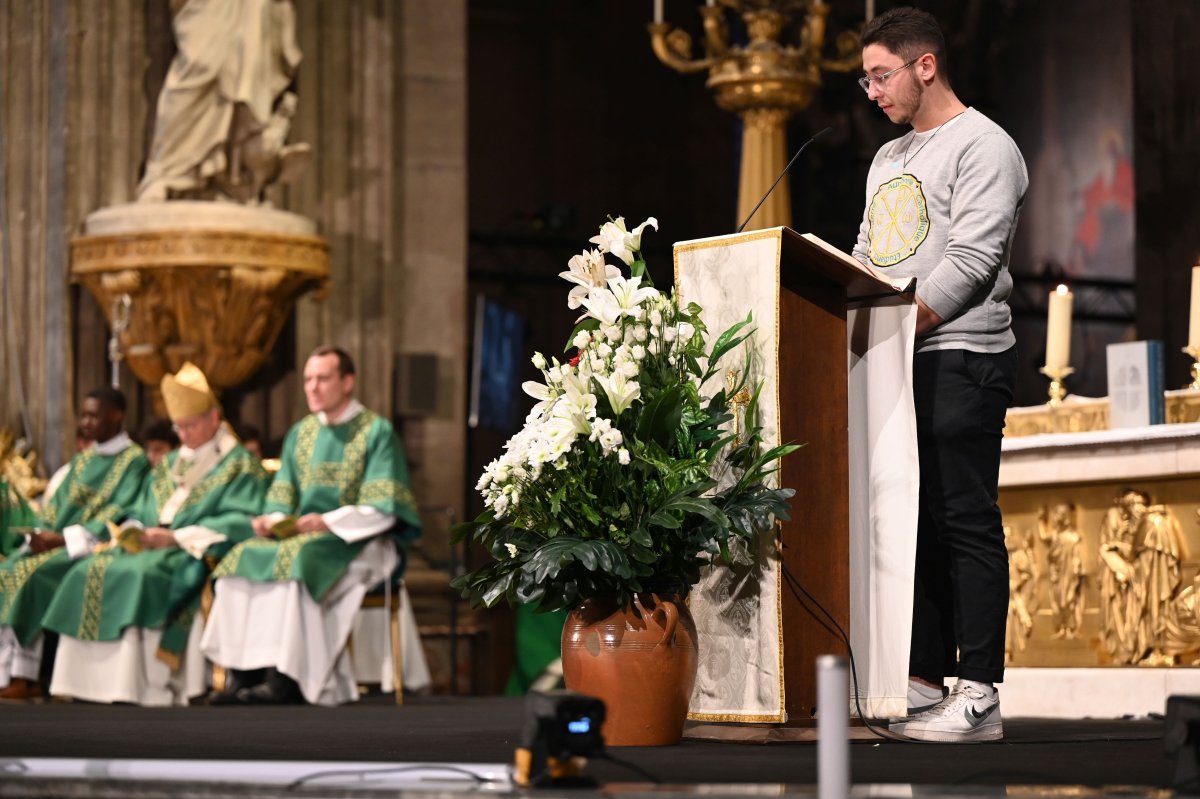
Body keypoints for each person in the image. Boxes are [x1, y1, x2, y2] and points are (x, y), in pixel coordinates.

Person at [851, 7, 1027, 742]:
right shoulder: (886, 159)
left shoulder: (986, 146)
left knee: (965, 517)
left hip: (964, 355)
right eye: (865, 79)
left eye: (881, 74)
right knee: (908, 519)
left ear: (926, 65)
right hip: (894, 358)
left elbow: (973, 260)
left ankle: (980, 689)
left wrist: (903, 319)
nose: (872, 91)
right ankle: (923, 676)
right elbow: (866, 249)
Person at [201, 346, 421, 705]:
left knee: (299, 560)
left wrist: (328, 522)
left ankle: (284, 677)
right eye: (307, 379)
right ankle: (241, 675)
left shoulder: (376, 432)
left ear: (347, 382)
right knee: (242, 555)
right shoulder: (300, 434)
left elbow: (385, 508)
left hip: (362, 541)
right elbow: (281, 495)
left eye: (322, 378)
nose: (312, 387)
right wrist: (271, 521)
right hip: (304, 538)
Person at [42, 364, 267, 705]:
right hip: (148, 545)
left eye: (190, 425)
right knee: (86, 570)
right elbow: (140, 509)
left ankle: (137, 686)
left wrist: (176, 537)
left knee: (137, 575)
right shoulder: (169, 463)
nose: (183, 433)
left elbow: (244, 519)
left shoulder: (238, 465)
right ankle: (83, 683)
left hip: (189, 550)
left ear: (214, 418)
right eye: (179, 425)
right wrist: (135, 530)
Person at [0, 387, 150, 700]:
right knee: (9, 567)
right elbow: (57, 507)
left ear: (117, 415)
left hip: (89, 547)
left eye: (93, 415)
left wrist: (64, 540)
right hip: (58, 542)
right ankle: (4, 672)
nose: (85, 422)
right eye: (83, 415)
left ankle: (26, 676)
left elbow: (120, 511)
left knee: (33, 576)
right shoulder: (83, 461)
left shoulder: (133, 461)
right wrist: (40, 534)